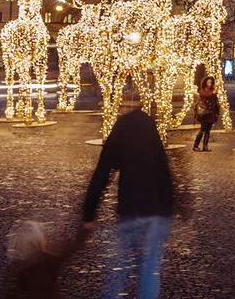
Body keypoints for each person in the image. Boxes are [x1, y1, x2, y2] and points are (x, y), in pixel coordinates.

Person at [82, 105, 174, 299]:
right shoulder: (150, 126)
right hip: (154, 209)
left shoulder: (121, 127)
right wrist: (170, 209)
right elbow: (164, 169)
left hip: (129, 208)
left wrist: (89, 213)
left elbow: (103, 171)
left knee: (119, 267)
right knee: (149, 267)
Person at [193, 75, 220, 151]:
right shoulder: (202, 90)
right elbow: (206, 95)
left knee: (208, 131)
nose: (209, 84)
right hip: (204, 114)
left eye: (211, 82)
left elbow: (215, 102)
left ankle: (205, 146)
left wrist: (217, 112)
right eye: (208, 82)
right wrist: (213, 93)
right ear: (205, 83)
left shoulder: (213, 90)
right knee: (202, 130)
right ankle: (195, 146)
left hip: (211, 114)